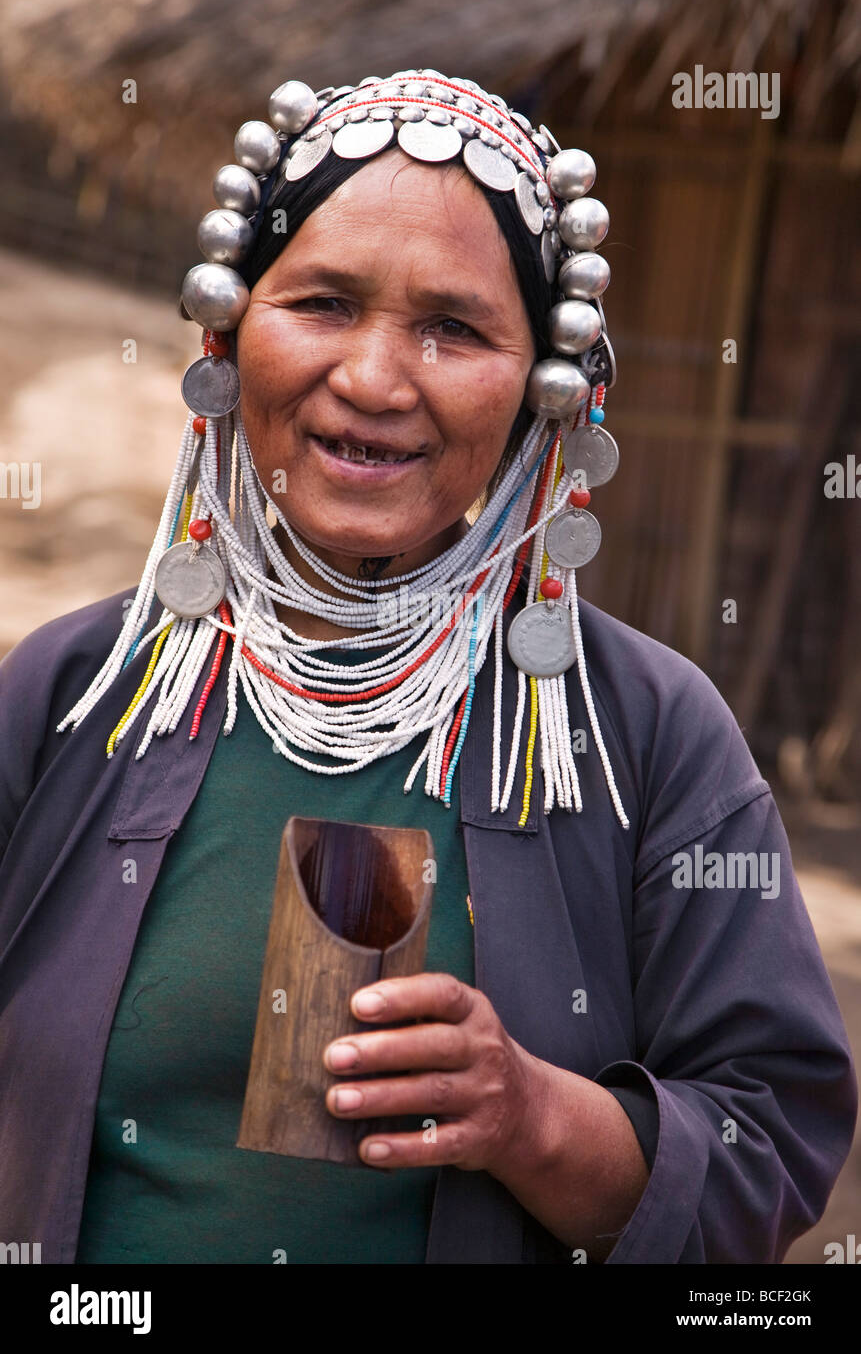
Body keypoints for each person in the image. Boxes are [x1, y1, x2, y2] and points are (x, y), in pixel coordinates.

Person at [0, 69, 855, 1266]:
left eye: (454, 328)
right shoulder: (75, 695)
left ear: (543, 394)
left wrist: (529, 1112)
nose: (375, 380)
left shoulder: (645, 736)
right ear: (227, 334)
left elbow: (770, 1147)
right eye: (324, 303)